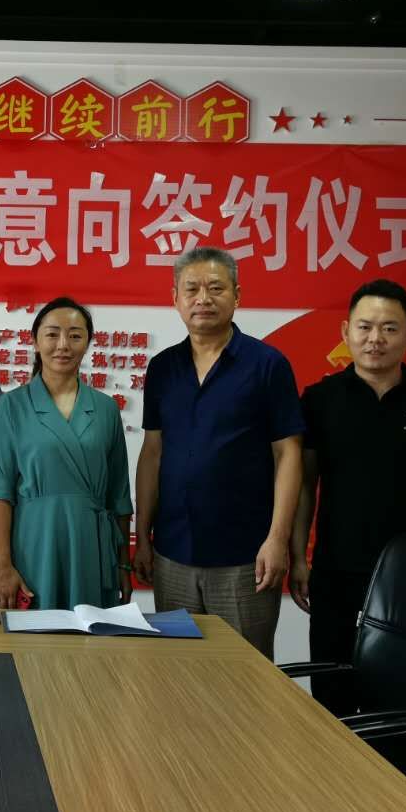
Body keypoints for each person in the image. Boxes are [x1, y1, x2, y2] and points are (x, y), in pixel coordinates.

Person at [290, 278, 406, 715]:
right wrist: (297, 556)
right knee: (332, 693)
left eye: (390, 328)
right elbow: (304, 485)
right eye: (365, 327)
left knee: (401, 696)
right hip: (336, 570)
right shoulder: (319, 400)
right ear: (346, 331)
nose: (376, 339)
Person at [132, 246, 304, 658]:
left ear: (237, 295)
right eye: (191, 289)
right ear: (175, 298)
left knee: (246, 672)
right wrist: (143, 538)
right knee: (177, 671)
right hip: (173, 553)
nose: (203, 298)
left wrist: (277, 540)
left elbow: (289, 455)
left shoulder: (267, 365)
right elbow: (152, 453)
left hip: (245, 557)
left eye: (215, 288)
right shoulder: (163, 368)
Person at [0, 296, 133, 611]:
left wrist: (123, 565)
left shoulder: (105, 408)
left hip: (91, 547)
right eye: (52, 334)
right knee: (30, 636)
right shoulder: (12, 406)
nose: (63, 345)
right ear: (35, 342)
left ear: (88, 343)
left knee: (89, 635)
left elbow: (119, 496)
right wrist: (2, 565)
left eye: (75, 335)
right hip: (33, 544)